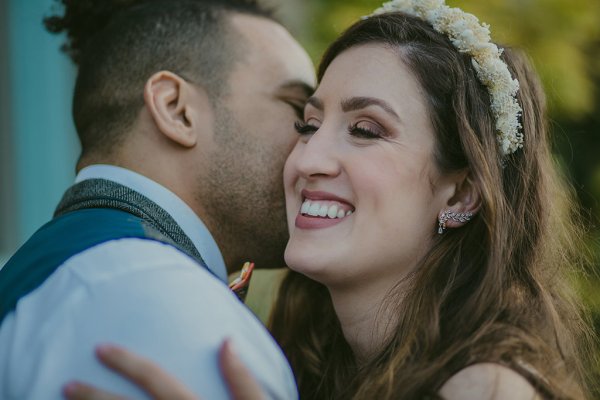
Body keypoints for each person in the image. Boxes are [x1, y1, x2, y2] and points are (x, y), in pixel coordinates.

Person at [62, 1, 598, 399]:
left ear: (460, 190)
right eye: (307, 123)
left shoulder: (484, 388)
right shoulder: (292, 365)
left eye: (365, 129)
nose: (306, 159)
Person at [0, 0, 316, 399]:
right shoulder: (179, 316)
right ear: (176, 109)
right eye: (298, 110)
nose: (315, 146)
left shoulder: (54, 275)